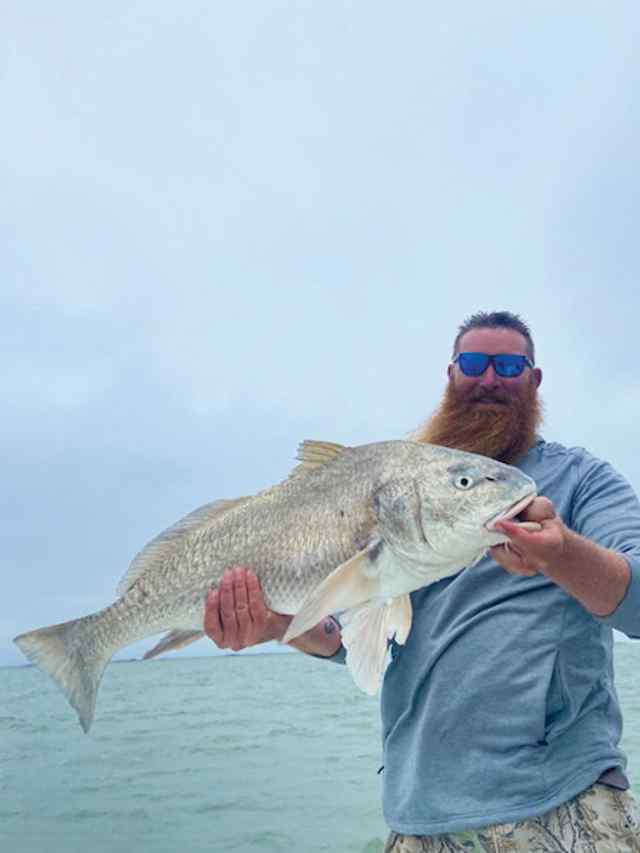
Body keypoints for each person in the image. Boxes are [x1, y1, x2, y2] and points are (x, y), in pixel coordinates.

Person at [203, 311, 640, 852]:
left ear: (534, 380)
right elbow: (368, 641)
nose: (489, 379)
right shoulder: (405, 491)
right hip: (419, 817)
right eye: (474, 364)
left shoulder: (582, 480)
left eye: (509, 366)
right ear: (451, 375)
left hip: (561, 800)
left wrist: (561, 555)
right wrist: (278, 626)